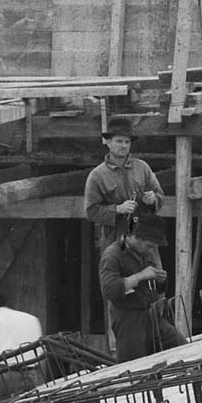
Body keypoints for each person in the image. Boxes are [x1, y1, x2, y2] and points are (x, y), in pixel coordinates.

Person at [99, 202, 174, 362]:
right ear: (138, 238)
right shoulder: (112, 255)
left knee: (179, 348)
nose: (151, 249)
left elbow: (155, 288)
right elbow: (109, 289)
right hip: (128, 320)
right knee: (133, 370)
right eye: (149, 245)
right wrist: (139, 276)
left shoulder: (145, 253)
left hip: (151, 317)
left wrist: (161, 281)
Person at [84, 129, 165, 236]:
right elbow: (91, 212)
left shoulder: (142, 167)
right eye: (119, 141)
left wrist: (153, 200)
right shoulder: (97, 175)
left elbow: (160, 195)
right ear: (108, 143)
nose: (124, 146)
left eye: (127, 142)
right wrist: (118, 209)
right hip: (115, 237)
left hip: (143, 236)